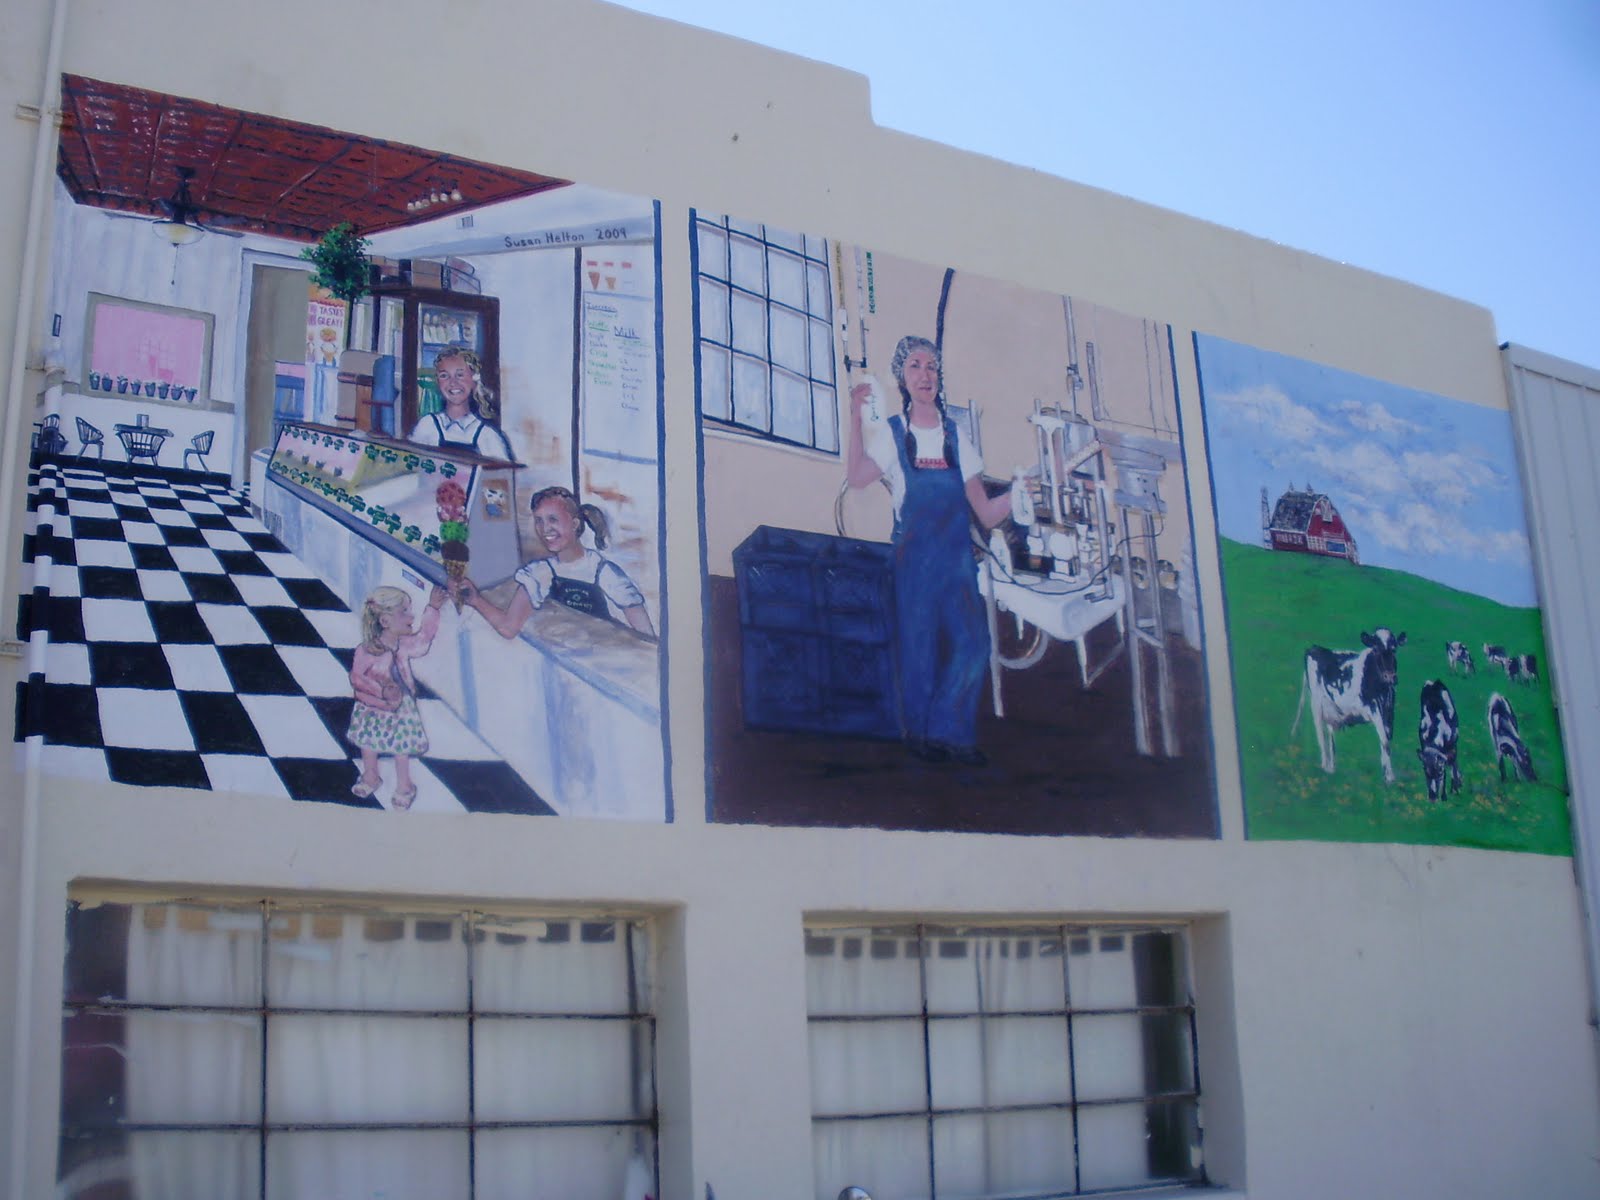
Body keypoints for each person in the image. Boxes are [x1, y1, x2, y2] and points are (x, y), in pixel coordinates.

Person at [846, 335, 1011, 765]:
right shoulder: (893, 434)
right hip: (914, 560)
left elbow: (988, 514)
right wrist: (852, 418)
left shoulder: (958, 438)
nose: (926, 375)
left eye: (932, 367)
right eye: (916, 366)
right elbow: (859, 477)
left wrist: (1023, 492)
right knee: (917, 649)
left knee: (974, 645)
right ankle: (918, 737)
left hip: (957, 561)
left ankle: (951, 732)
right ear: (902, 376)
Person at [454, 485, 655, 639]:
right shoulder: (540, 573)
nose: (545, 529)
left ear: (575, 524)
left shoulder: (603, 572)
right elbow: (508, 627)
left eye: (553, 520)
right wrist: (476, 600)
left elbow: (645, 636)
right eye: (539, 521)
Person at [347, 583, 447, 809]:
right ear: (385, 621)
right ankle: (371, 776)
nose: (411, 615)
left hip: (401, 708)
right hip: (372, 708)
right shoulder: (365, 650)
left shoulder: (404, 644)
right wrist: (381, 691)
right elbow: (356, 678)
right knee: (368, 744)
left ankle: (405, 786)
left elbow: (423, 641)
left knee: (401, 749)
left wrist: (433, 608)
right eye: (405, 612)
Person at [406, 345, 517, 461]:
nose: (453, 382)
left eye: (460, 375)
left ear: (474, 381)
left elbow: (503, 475)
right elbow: (410, 463)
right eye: (444, 376)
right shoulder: (427, 425)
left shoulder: (486, 435)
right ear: (438, 382)